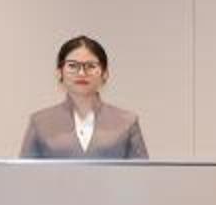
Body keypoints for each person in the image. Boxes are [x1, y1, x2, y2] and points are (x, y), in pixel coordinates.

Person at [18, 35, 148, 159]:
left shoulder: (127, 122)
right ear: (59, 72)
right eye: (72, 65)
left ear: (105, 73)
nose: (81, 73)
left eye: (91, 66)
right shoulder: (40, 122)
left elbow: (142, 173)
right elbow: (25, 173)